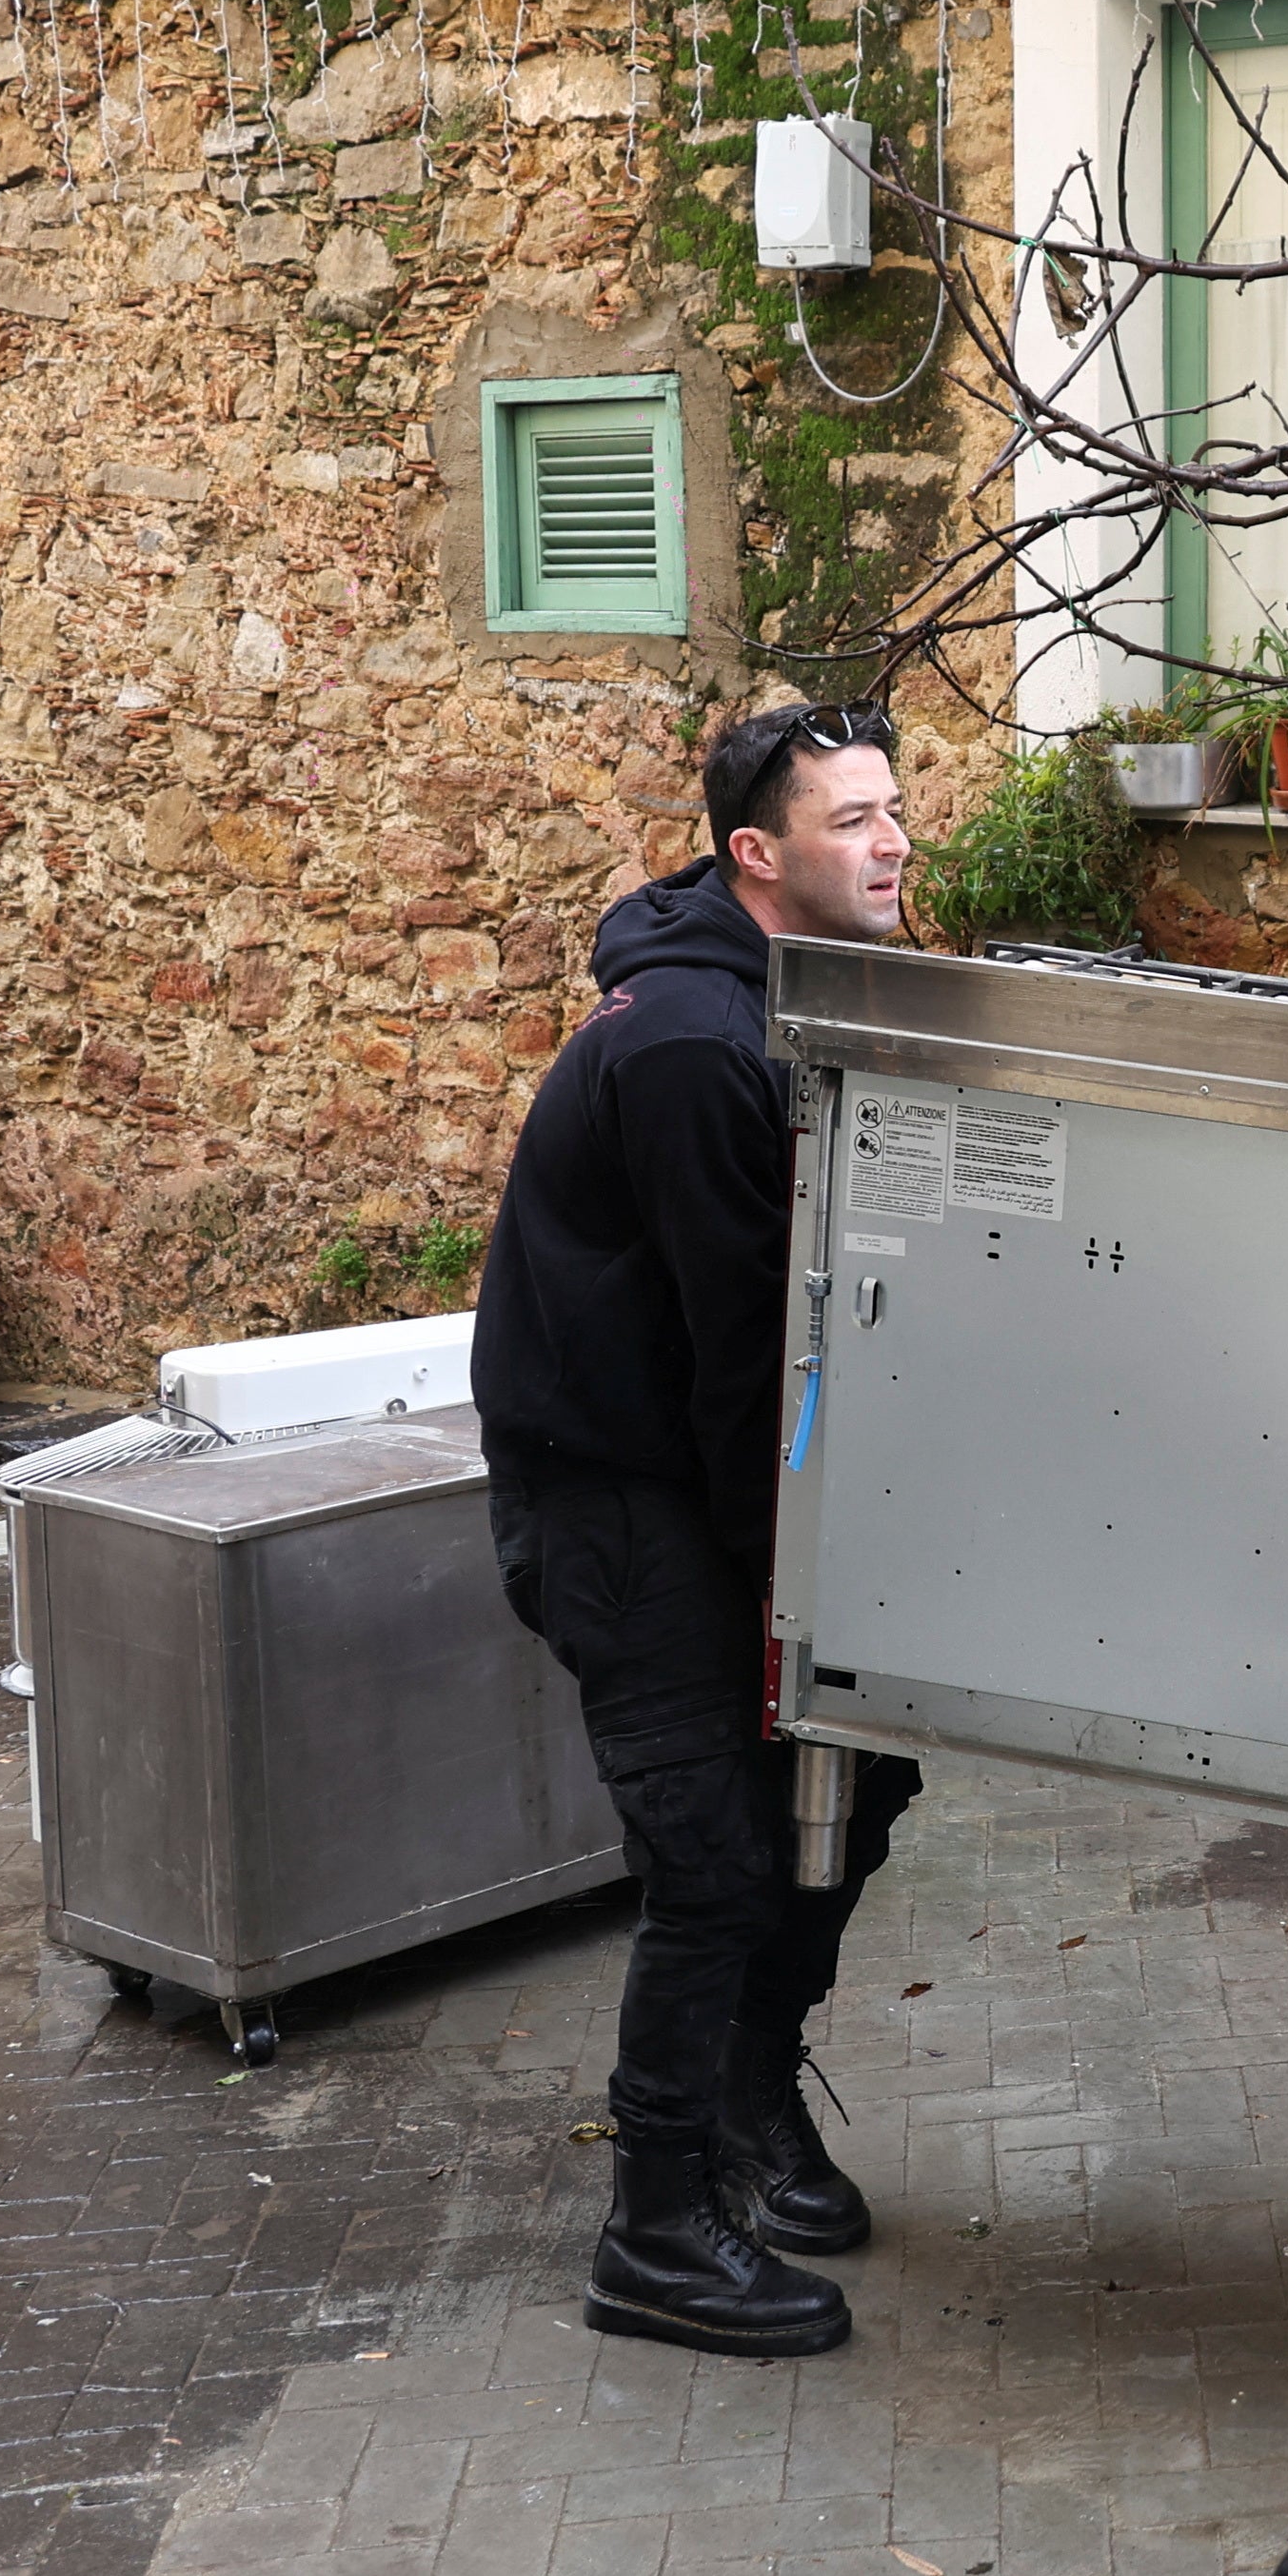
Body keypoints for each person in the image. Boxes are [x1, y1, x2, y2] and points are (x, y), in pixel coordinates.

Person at [475, 700, 926, 2358]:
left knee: (855, 1780)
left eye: (894, 810)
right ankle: (655, 2226)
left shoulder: (804, 988)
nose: (891, 843)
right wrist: (797, 1589)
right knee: (718, 1855)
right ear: (759, 854)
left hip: (727, 1477)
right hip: (619, 1497)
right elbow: (750, 1360)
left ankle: (747, 2100)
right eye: (852, 820)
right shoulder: (690, 1046)